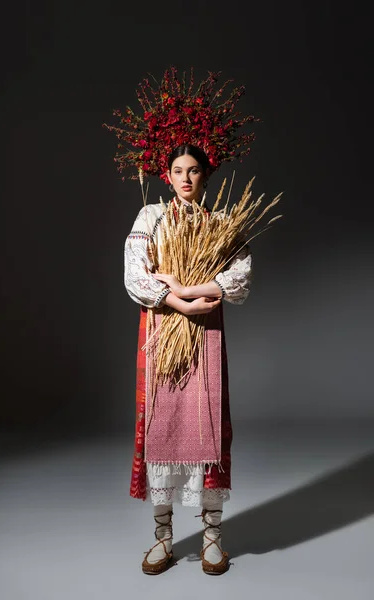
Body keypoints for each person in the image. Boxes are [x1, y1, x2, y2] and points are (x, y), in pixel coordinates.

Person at [124, 143, 252, 574]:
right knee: (163, 425)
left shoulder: (220, 223)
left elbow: (238, 277)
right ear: (167, 174)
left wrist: (188, 290)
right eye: (178, 170)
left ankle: (213, 534)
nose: (186, 178)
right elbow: (135, 274)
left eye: (194, 171)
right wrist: (176, 300)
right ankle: (163, 536)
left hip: (205, 335)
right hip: (164, 332)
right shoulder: (150, 218)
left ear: (205, 176)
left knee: (207, 425)